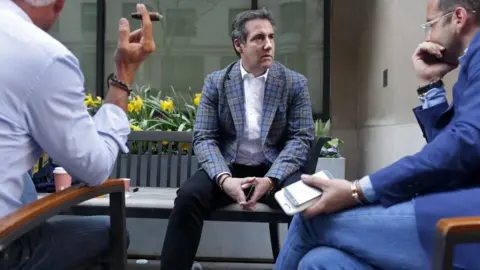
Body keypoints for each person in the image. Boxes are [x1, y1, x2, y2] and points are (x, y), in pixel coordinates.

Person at [275, 0, 480, 269]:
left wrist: (357, 190)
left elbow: (464, 144)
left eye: (429, 25)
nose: (427, 37)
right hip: (459, 202)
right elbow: (454, 153)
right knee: (321, 262)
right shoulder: (471, 64)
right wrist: (430, 87)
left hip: (467, 216)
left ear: (458, 17)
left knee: (309, 221)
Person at [0, 0, 156, 269]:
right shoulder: (44, 57)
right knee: (111, 230)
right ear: (59, 5)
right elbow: (92, 168)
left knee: (23, 183)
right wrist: (123, 77)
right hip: (6, 246)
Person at [160, 7, 315, 270]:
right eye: (258, 38)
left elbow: (301, 138)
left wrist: (271, 178)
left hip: (274, 169)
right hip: (229, 168)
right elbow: (205, 137)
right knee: (188, 197)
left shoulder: (293, 83)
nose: (268, 45)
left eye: (271, 37)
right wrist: (224, 179)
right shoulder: (217, 82)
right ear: (238, 45)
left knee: (304, 198)